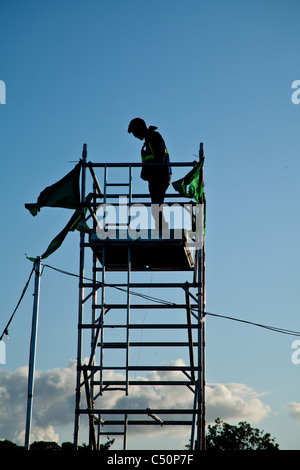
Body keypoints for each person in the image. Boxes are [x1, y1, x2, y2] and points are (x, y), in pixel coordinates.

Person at [128, 117, 172, 230]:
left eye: (134, 132)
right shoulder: (149, 140)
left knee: (156, 206)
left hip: (160, 176)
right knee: (156, 206)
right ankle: (161, 228)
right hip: (156, 177)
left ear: (139, 128)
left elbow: (160, 157)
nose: (134, 135)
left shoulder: (154, 137)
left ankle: (162, 229)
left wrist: (149, 172)